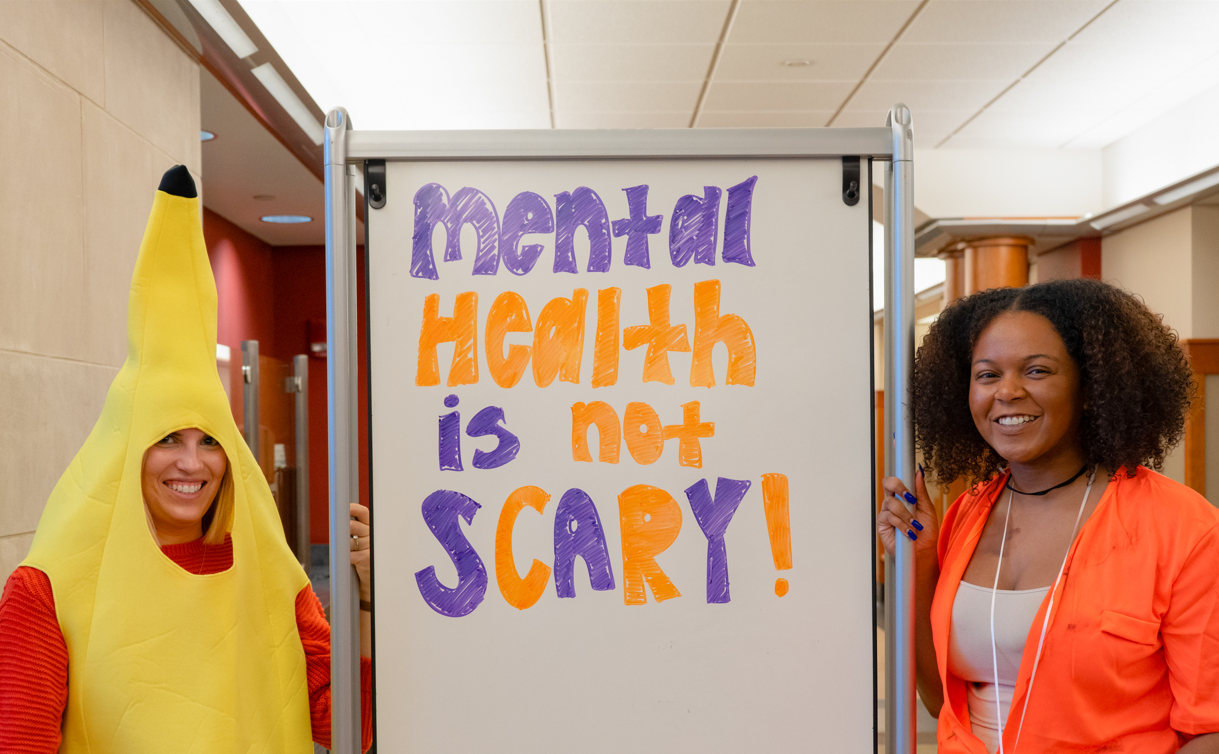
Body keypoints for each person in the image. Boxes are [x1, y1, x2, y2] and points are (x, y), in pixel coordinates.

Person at [0, 166, 373, 752]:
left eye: (210, 441)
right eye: (168, 438)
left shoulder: (269, 569)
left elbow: (344, 723)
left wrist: (369, 604)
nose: (192, 464)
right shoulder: (47, 590)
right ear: (124, 447)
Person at [878, 278, 1219, 753]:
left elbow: (1210, 726)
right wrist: (918, 562)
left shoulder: (1184, 527)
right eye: (987, 374)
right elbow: (939, 699)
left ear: (1090, 387)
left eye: (1037, 371)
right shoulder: (966, 514)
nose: (1008, 392)